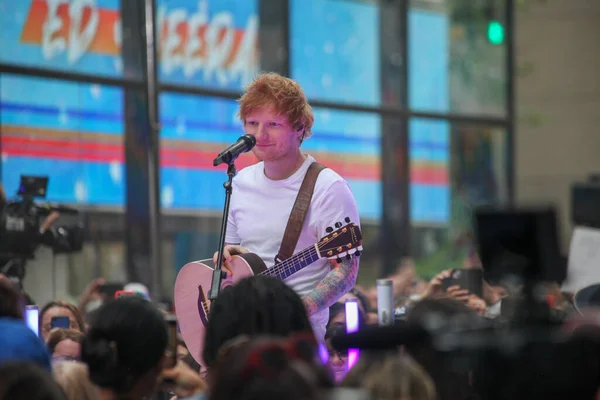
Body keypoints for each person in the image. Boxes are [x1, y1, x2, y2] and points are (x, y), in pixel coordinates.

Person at [213, 72, 360, 341]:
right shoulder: (240, 182)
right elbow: (231, 265)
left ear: (300, 127)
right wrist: (226, 254)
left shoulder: (327, 187)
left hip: (297, 341)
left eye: (274, 124)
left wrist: (298, 310)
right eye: (252, 123)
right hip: (239, 338)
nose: (260, 134)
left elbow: (346, 271)